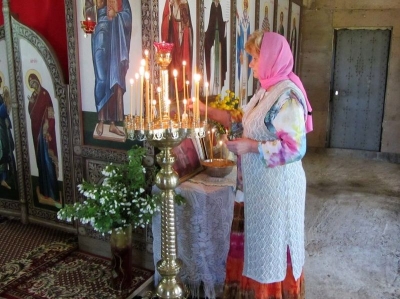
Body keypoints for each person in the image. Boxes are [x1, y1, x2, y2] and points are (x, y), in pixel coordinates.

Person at [195, 30, 313, 298]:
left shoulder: (288, 96)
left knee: (269, 254)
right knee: (252, 251)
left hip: (276, 193)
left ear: (271, 58)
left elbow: (296, 149)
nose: (250, 64)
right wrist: (205, 110)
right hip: (254, 188)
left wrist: (252, 147)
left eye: (254, 58)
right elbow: (244, 122)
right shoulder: (267, 91)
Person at [91, 0, 132, 137]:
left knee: (115, 81)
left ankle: (113, 124)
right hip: (100, 38)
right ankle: (101, 120)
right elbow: (87, 13)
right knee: (101, 78)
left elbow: (128, 17)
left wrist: (116, 15)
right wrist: (94, 9)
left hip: (116, 38)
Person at [27, 73, 61, 208]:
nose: (33, 86)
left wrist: (48, 129)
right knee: (41, 163)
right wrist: (31, 102)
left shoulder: (45, 95)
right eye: (31, 85)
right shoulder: (34, 96)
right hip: (37, 136)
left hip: (46, 135)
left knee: (48, 163)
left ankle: (54, 194)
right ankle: (44, 191)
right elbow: (31, 113)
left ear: (38, 81)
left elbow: (51, 113)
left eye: (34, 83)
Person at [161, 0, 193, 97]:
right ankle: (173, 96)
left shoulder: (185, 3)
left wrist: (186, 29)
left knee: (184, 68)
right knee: (173, 69)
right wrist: (169, 15)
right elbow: (165, 25)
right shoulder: (169, 3)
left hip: (183, 43)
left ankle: (184, 95)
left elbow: (189, 25)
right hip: (174, 42)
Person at [204, 0, 227, 95]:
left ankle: (218, 88)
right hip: (213, 41)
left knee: (219, 63)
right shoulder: (212, 7)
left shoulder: (220, 7)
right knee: (212, 63)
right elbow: (210, 23)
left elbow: (222, 23)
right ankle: (212, 87)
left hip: (219, 40)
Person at [0, 77, 16, 190]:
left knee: (6, 151)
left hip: (3, 128)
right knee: (2, 151)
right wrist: (5, 103)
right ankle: (2, 179)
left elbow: (5, 113)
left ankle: (4, 178)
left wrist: (6, 101)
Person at [236, 0, 251, 106]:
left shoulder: (248, 23)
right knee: (241, 76)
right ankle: (240, 102)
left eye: (246, 8)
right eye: (244, 8)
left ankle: (244, 102)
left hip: (248, 54)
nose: (245, 12)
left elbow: (250, 37)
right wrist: (240, 52)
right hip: (242, 53)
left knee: (246, 75)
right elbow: (238, 37)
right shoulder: (240, 23)